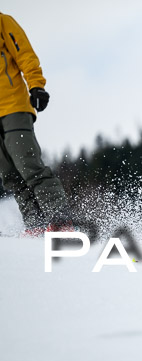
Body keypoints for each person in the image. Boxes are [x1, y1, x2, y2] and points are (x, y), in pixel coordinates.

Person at [0, 11, 71, 234]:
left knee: (29, 166)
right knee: (10, 176)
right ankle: (35, 226)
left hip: (13, 107)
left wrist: (36, 86)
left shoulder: (3, 22)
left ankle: (60, 220)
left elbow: (25, 55)